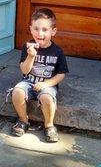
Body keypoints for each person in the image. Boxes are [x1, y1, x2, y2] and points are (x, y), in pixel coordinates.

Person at [10, 8, 69, 142]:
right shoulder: (27, 47)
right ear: (31, 29)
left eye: (44, 30)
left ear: (53, 31)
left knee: (47, 98)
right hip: (28, 81)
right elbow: (24, 70)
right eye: (36, 29)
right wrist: (31, 56)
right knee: (17, 91)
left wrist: (46, 84)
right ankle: (23, 120)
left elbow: (61, 74)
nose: (39, 33)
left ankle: (49, 125)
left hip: (47, 84)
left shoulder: (57, 51)